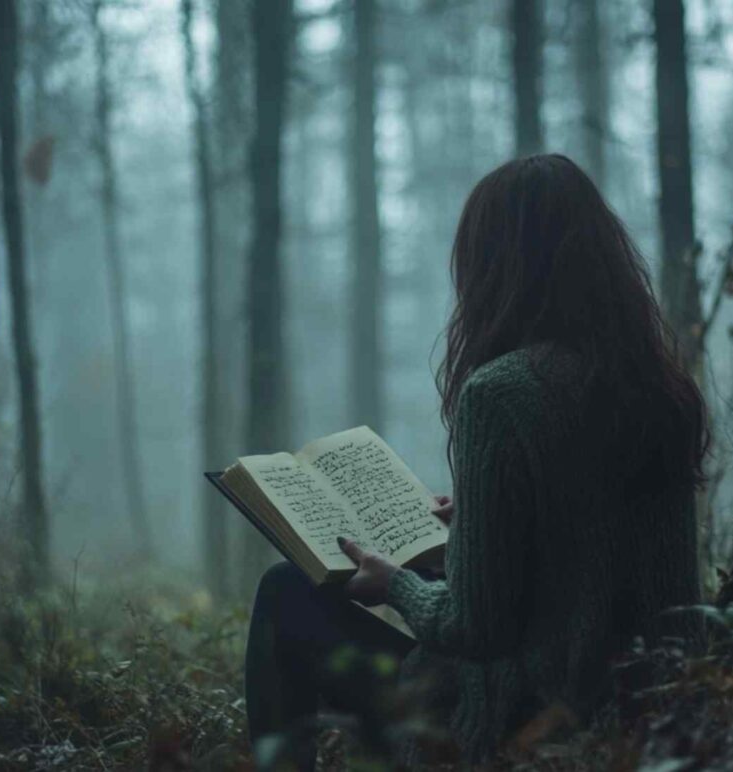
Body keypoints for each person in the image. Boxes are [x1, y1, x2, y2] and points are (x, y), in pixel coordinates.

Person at [245, 154, 707, 768]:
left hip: (519, 719)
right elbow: (595, 549)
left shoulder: (500, 392)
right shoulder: (657, 387)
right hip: (651, 708)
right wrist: (476, 525)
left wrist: (396, 584)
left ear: (497, 267)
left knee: (286, 593)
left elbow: (476, 629)